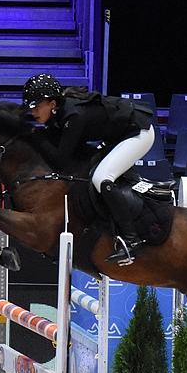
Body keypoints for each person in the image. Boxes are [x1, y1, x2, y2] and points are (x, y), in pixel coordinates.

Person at [22, 73, 155, 266]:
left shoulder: (73, 115)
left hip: (138, 133)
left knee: (102, 178)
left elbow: (59, 160)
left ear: (52, 103)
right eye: (30, 107)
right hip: (118, 136)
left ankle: (132, 241)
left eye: (36, 105)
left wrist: (34, 135)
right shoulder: (59, 114)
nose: (32, 111)